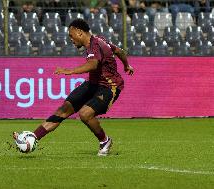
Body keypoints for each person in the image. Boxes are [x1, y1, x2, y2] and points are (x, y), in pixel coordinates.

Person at [13, 18, 134, 156]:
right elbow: (119, 51)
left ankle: (104, 140)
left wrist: (70, 71)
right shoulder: (98, 40)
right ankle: (32, 138)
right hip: (93, 84)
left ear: (79, 32)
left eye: (71, 35)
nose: (71, 39)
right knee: (64, 109)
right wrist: (126, 65)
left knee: (85, 114)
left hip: (109, 87)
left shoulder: (94, 44)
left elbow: (93, 64)